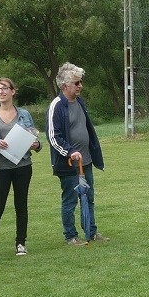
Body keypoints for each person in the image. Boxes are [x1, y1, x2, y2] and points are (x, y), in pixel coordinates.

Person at [45, 62, 109, 246]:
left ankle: (91, 230)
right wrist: (70, 152)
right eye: (77, 83)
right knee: (70, 200)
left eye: (80, 82)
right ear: (65, 86)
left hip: (86, 160)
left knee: (88, 197)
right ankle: (70, 236)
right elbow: (53, 136)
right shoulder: (56, 106)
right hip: (68, 164)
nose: (81, 86)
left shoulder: (80, 102)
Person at [0, 78, 41, 258]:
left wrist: (36, 145)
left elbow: (34, 137)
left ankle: (21, 243)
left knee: (21, 205)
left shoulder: (24, 114)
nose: (0, 92)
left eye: (4, 88)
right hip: (1, 167)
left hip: (23, 165)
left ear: (13, 91)